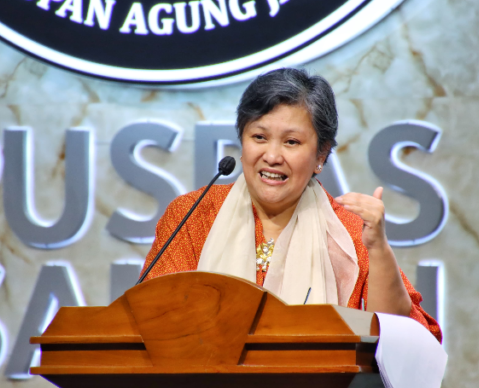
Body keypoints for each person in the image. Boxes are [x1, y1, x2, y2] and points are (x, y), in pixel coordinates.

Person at [140, 68, 441, 343]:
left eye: (291, 142)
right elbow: (149, 320)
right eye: (259, 137)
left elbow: (405, 339)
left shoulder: (349, 232)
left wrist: (378, 249)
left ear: (321, 155)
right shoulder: (194, 214)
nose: (272, 156)